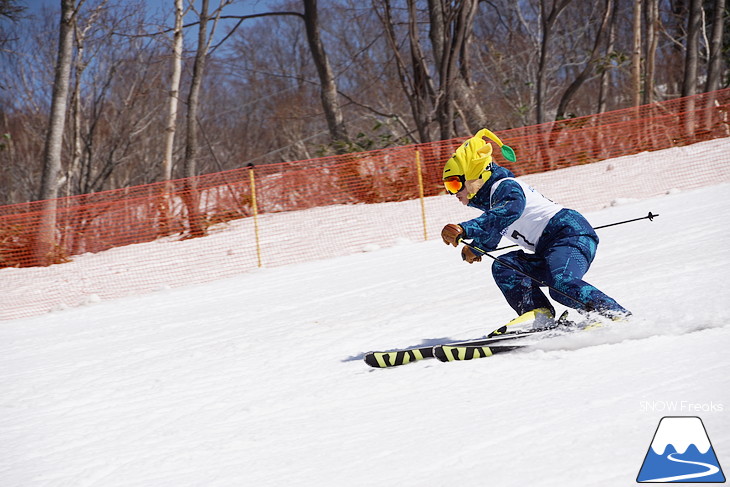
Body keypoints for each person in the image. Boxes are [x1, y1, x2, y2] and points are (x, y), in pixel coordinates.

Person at [440, 128, 630, 328]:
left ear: (474, 174)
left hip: (570, 234)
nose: (452, 193)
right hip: (548, 248)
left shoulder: (506, 187)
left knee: (560, 284)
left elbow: (508, 213)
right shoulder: (492, 201)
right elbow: (493, 229)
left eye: (453, 184)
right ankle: (539, 314)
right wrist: (476, 247)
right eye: (447, 187)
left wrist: (465, 229)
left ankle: (613, 314)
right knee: (505, 266)